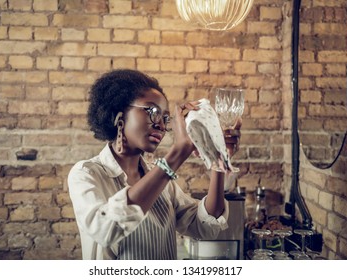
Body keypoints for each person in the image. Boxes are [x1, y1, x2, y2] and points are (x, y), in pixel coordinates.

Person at [68, 69, 241, 260]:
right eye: (152, 111)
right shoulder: (86, 174)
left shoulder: (161, 182)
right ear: (119, 114)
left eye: (166, 118)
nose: (161, 124)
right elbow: (106, 229)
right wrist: (178, 152)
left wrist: (218, 160)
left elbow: (204, 226)